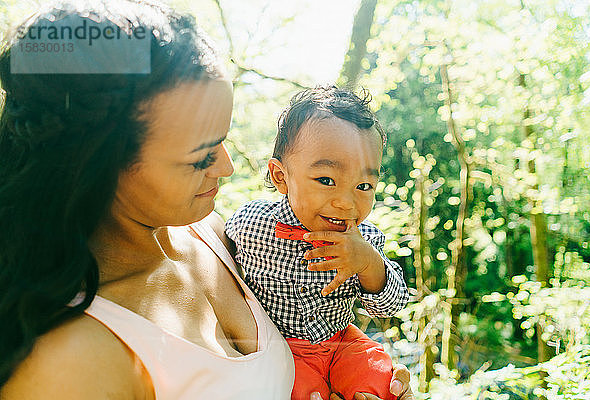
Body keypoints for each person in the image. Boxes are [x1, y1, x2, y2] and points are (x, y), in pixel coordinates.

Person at [0, 1, 414, 399]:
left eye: (223, 140)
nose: (228, 167)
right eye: (200, 157)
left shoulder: (210, 232)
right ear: (95, 164)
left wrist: (359, 373)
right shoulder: (69, 364)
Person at [224, 86, 409, 400]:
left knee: (380, 376)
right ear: (281, 176)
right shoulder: (251, 223)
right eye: (327, 180)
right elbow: (224, 260)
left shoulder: (364, 239)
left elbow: (391, 306)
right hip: (282, 349)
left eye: (364, 185)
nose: (346, 203)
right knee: (295, 390)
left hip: (341, 342)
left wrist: (369, 263)